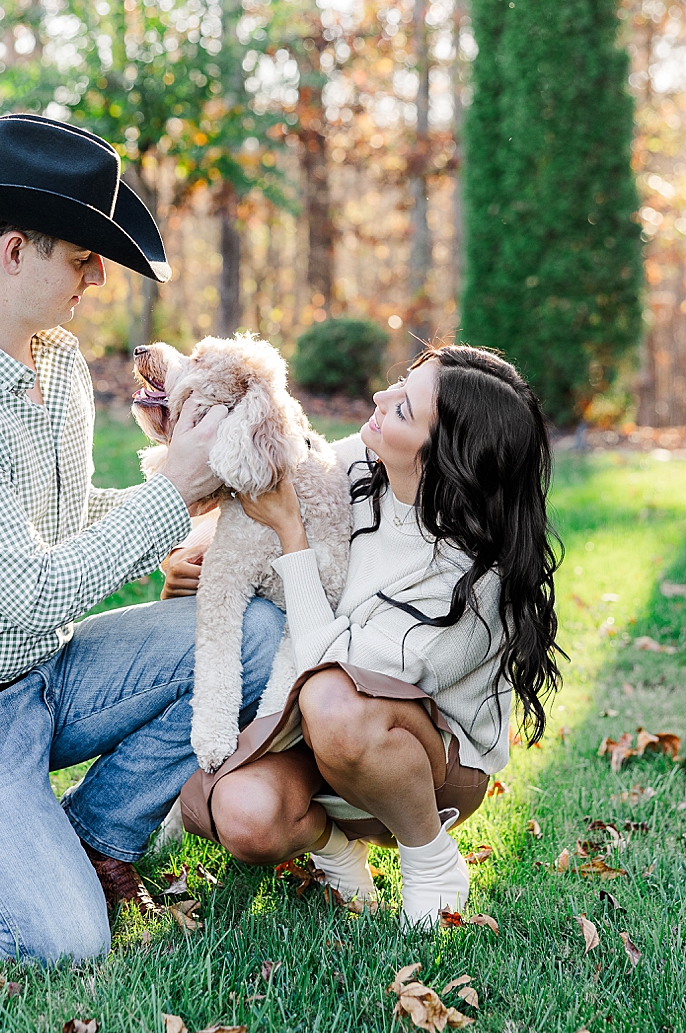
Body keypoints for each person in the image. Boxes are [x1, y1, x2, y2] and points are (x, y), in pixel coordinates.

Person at [0, 113, 283, 964]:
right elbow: (34, 591)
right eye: (83, 258)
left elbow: (56, 513)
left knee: (256, 637)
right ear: (16, 251)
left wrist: (176, 517)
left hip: (46, 679)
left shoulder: (56, 362)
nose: (98, 280)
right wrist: (174, 489)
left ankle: (94, 834)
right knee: (65, 945)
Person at [165, 345, 563, 927]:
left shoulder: (470, 579)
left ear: (442, 457)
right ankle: (334, 848)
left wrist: (292, 533)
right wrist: (193, 558)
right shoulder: (358, 466)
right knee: (243, 815)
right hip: (315, 744)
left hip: (419, 765)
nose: (382, 398)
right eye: (400, 382)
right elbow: (268, 483)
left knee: (334, 701)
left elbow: (336, 670)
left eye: (404, 408)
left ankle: (428, 856)